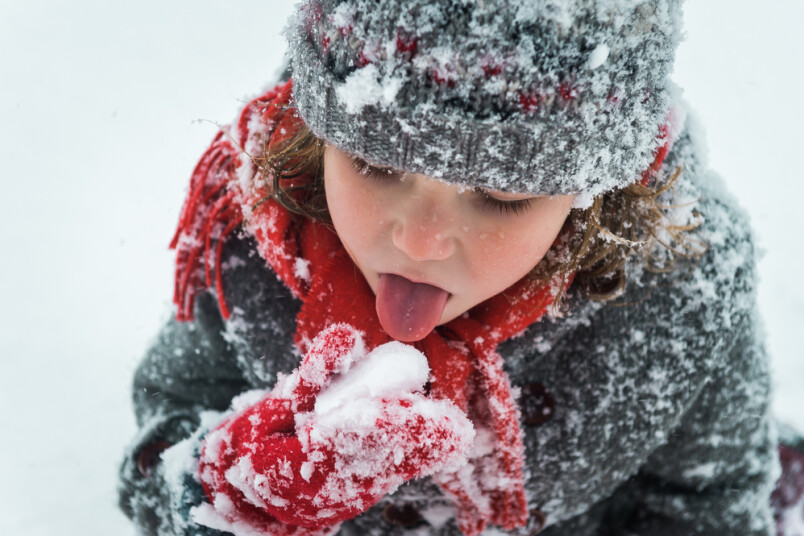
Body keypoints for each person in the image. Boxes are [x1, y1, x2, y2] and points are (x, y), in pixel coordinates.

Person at [117, 1, 804, 534]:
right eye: (378, 165)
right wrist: (226, 493)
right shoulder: (252, 237)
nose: (420, 241)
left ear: (598, 196)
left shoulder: (677, 287)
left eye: (503, 197)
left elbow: (705, 501)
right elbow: (166, 426)